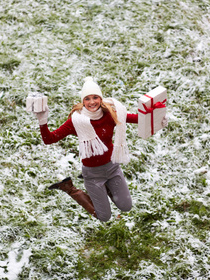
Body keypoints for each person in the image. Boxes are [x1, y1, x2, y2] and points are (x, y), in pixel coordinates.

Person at [31, 77, 138, 222]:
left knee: (126, 206)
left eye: (95, 97)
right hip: (93, 174)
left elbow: (136, 118)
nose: (92, 102)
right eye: (87, 99)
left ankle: (107, 187)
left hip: (112, 167)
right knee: (104, 217)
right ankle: (69, 187)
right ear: (83, 101)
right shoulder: (76, 121)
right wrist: (42, 120)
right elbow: (49, 139)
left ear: (100, 98)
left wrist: (157, 116)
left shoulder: (110, 114)